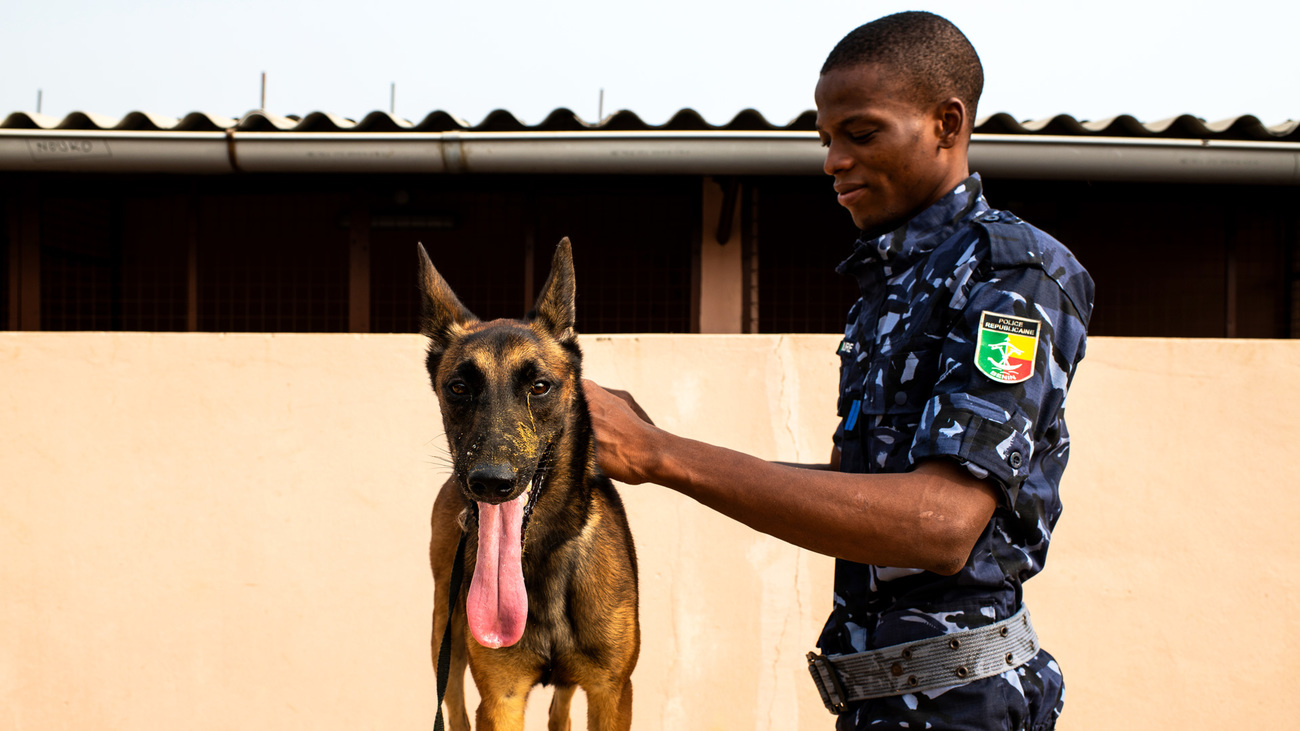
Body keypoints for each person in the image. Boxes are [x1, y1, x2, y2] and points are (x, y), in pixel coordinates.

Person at [583, 11, 1092, 730]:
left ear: (947, 124)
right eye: (825, 140)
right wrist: (655, 442)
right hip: (877, 704)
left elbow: (940, 524)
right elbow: (861, 499)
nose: (832, 161)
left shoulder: (1012, 274)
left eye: (860, 133)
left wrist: (664, 456)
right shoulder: (887, 286)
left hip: (964, 708)